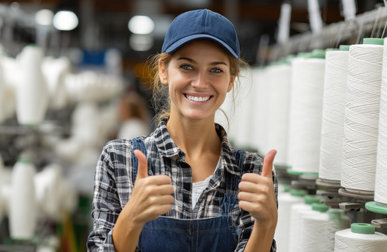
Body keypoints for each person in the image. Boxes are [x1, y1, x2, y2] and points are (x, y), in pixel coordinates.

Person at [87, 9, 278, 252]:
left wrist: (267, 225)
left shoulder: (253, 174)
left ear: (231, 80)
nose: (200, 83)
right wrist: (131, 218)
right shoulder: (119, 160)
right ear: (164, 71)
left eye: (216, 70)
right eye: (187, 66)